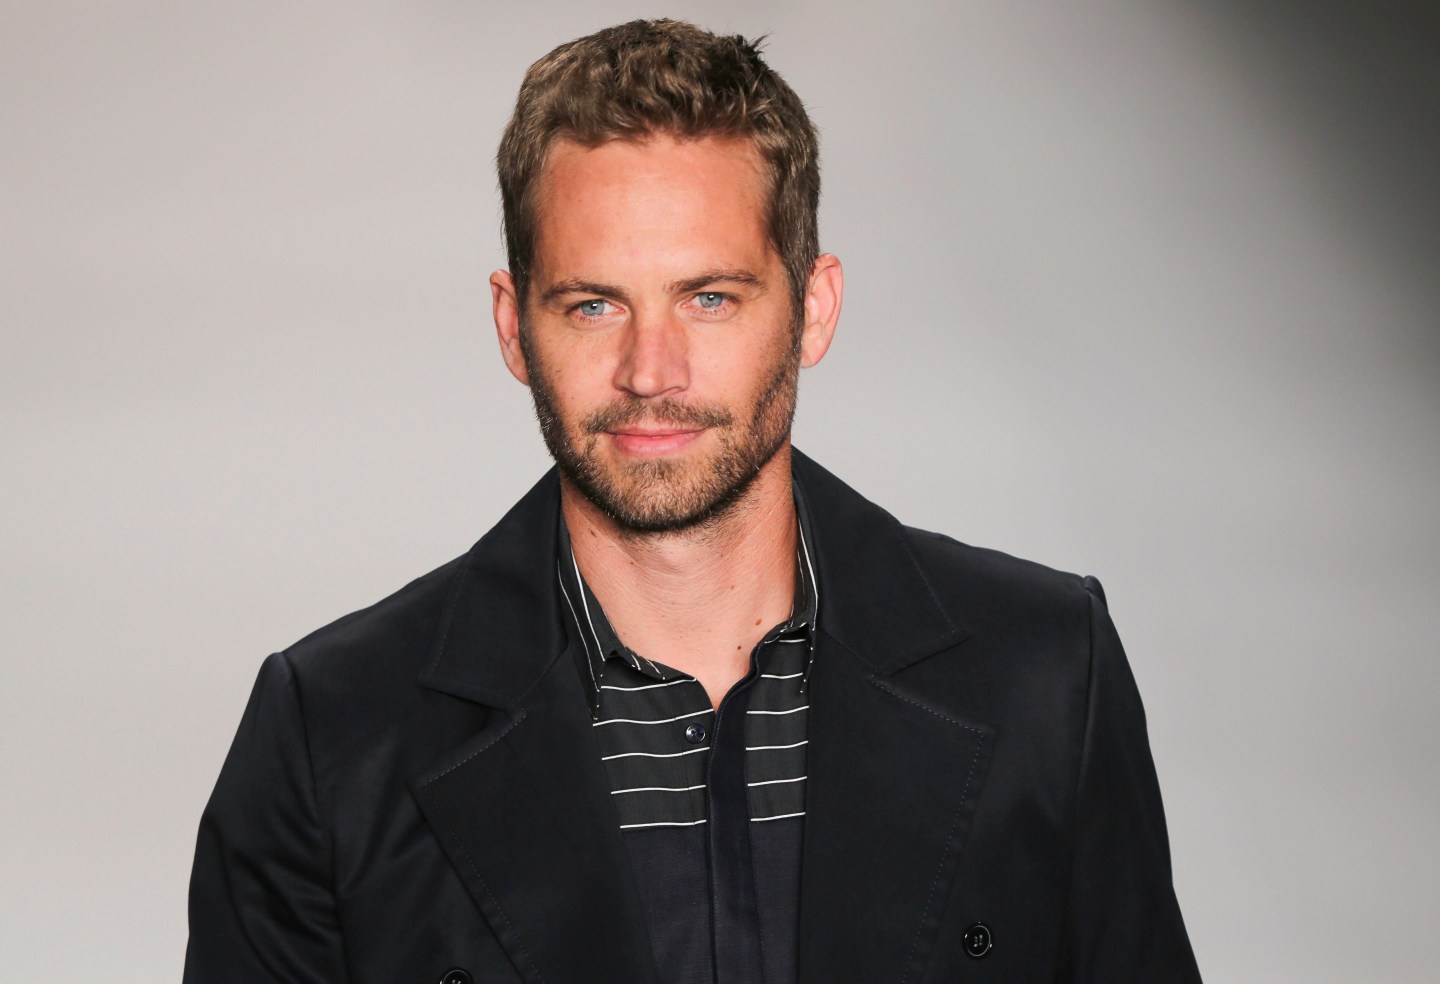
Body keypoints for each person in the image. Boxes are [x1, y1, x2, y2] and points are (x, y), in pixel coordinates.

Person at [184, 18, 1201, 984]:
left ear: (812, 309)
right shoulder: (336, 736)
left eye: (709, 297)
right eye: (594, 305)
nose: (649, 370)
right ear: (513, 326)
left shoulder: (1041, 676)